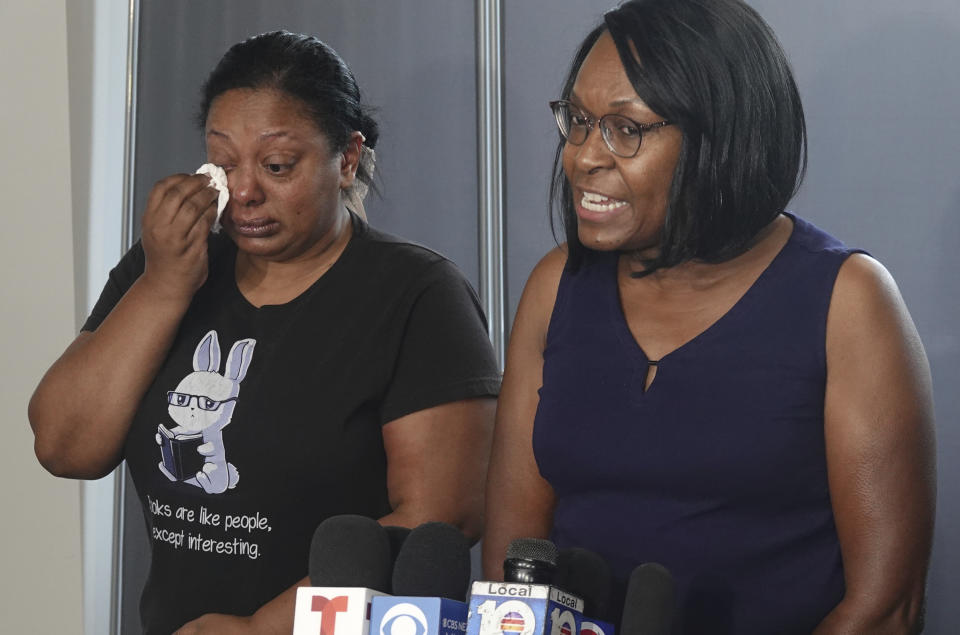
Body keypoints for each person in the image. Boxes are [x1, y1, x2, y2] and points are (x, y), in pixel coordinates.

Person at [482, 1, 935, 633]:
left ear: (722, 136)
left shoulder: (849, 300)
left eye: (626, 128)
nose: (583, 156)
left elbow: (885, 608)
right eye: (579, 122)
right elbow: (512, 572)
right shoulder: (555, 285)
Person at [30, 31, 500, 635]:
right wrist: (165, 284)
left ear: (347, 158)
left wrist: (262, 628)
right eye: (223, 163)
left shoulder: (417, 293)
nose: (245, 191)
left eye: (277, 166)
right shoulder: (170, 264)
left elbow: (444, 513)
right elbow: (64, 446)